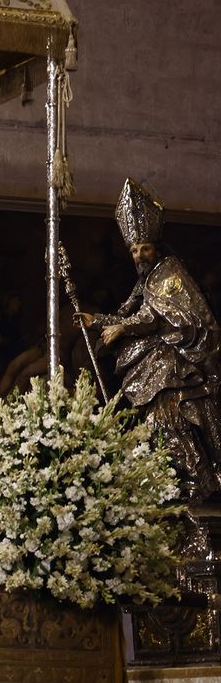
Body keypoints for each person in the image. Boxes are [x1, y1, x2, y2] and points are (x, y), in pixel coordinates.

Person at [75, 178, 221, 499]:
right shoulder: (146, 280)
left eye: (145, 248)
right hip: (158, 367)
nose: (139, 254)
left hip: (176, 366)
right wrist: (97, 320)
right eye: (135, 249)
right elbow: (131, 313)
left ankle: (202, 478)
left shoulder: (169, 271)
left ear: (156, 248)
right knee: (157, 422)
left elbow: (152, 317)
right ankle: (180, 478)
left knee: (170, 417)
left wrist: (123, 329)